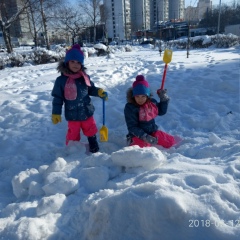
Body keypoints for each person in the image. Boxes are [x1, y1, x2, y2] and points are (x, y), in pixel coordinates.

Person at [51, 44, 108, 153]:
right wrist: (56, 113)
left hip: (87, 111)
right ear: (67, 62)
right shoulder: (61, 81)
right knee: (73, 133)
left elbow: (91, 89)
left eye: (78, 62)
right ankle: (73, 149)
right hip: (72, 114)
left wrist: (99, 92)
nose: (75, 65)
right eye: (72, 61)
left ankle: (93, 144)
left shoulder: (84, 78)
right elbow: (58, 98)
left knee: (91, 129)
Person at [124, 74, 176, 148]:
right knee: (144, 147)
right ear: (133, 96)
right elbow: (132, 127)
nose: (140, 99)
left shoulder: (152, 103)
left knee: (170, 141)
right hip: (137, 135)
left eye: (143, 96)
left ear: (147, 96)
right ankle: (131, 141)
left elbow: (161, 111)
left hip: (152, 132)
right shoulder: (130, 108)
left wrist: (163, 100)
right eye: (137, 96)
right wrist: (144, 136)